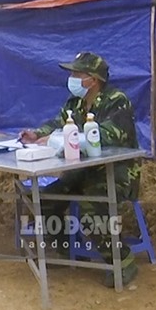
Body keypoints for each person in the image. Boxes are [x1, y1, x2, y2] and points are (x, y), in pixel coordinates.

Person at [19, 52, 141, 287]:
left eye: (77, 73)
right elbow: (59, 122)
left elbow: (105, 136)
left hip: (116, 171)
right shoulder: (75, 102)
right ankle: (69, 248)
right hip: (83, 170)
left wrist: (57, 139)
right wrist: (39, 134)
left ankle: (123, 260)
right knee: (43, 201)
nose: (72, 78)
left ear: (93, 79)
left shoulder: (116, 101)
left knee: (90, 212)